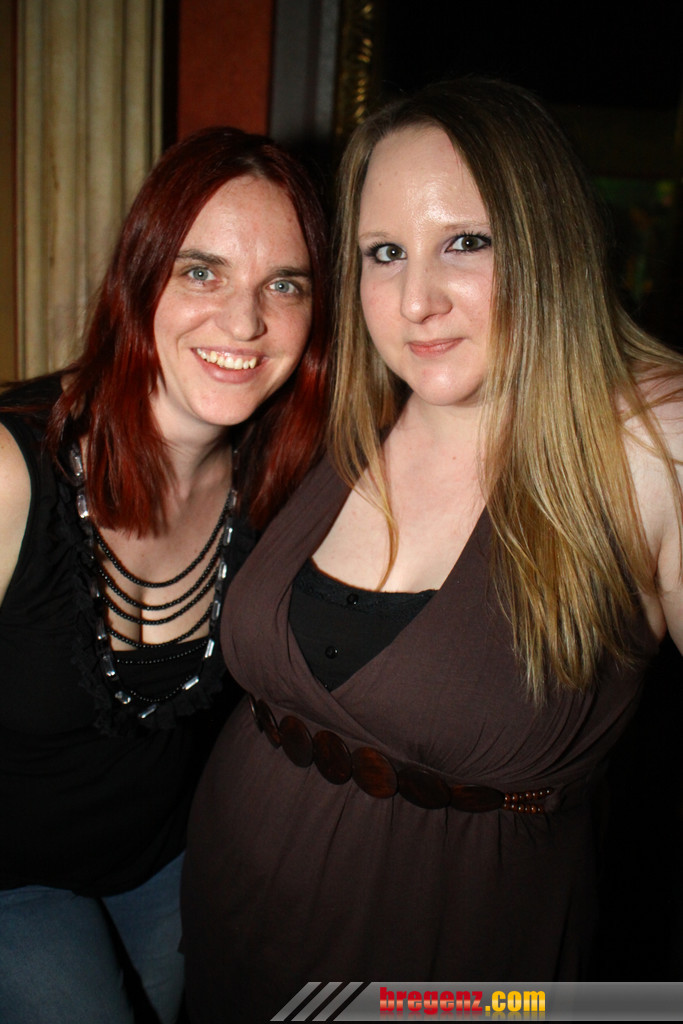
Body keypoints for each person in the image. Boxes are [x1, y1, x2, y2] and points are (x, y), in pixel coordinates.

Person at [181, 79, 683, 1020]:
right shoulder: (336, 413)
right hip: (231, 916)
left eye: (465, 242)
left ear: (549, 241)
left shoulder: (651, 442)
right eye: (384, 253)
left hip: (452, 973)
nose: (416, 301)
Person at [0, 126, 328, 1024]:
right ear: (138, 279)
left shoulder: (283, 485)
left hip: (169, 863)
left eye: (284, 284)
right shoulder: (12, 474)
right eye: (201, 272)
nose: (244, 323)